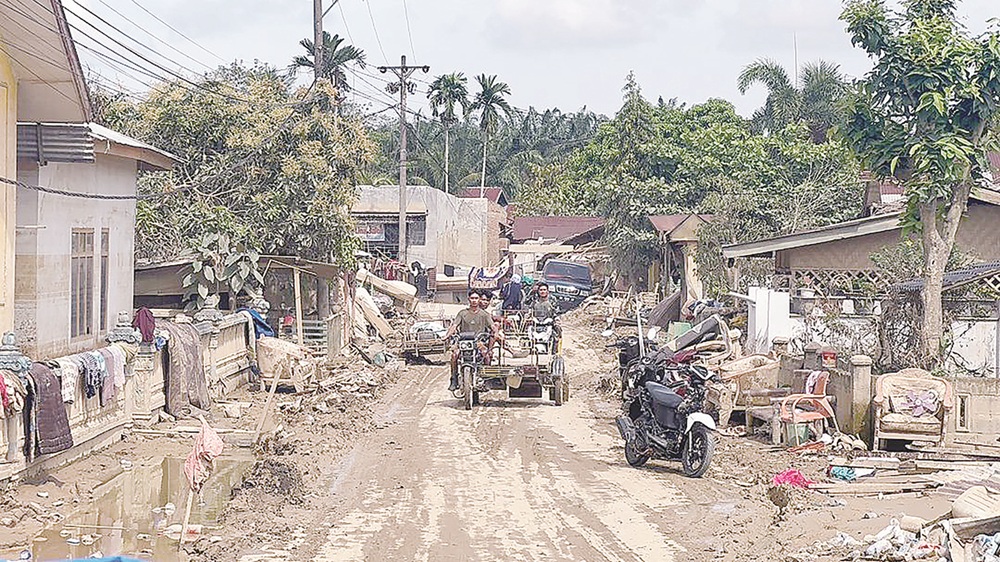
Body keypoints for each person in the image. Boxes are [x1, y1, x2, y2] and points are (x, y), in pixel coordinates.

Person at [444, 289, 498, 391]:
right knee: (454, 355)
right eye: (472, 298)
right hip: (463, 342)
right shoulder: (462, 313)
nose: (474, 300)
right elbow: (454, 325)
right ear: (468, 299)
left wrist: (495, 331)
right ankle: (454, 378)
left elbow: (492, 326)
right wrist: (447, 336)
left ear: (479, 300)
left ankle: (487, 379)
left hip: (478, 342)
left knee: (486, 355)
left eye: (476, 298)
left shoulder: (484, 314)